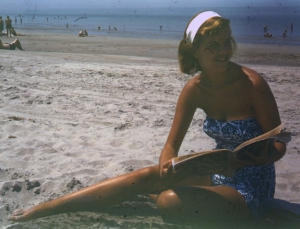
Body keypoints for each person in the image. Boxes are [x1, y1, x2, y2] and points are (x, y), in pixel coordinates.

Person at [9, 11, 286, 224]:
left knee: (168, 202)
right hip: (217, 173)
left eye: (227, 42)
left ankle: (155, 193)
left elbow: (279, 143)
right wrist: (167, 167)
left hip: (252, 186)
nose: (224, 51)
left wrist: (253, 158)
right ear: (196, 51)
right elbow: (170, 145)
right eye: (214, 45)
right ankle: (46, 208)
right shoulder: (195, 89)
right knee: (143, 176)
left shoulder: (252, 84)